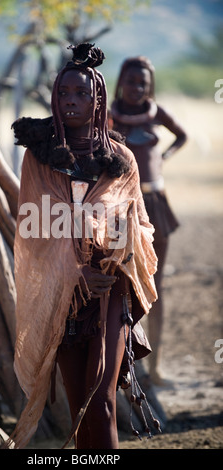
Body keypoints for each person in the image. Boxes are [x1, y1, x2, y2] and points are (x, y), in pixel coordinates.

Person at [7, 44, 158, 449]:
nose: (71, 101)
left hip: (109, 290)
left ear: (98, 101)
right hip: (65, 294)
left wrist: (110, 260)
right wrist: (74, 272)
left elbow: (139, 225)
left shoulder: (121, 159)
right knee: (78, 408)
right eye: (63, 93)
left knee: (101, 400)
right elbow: (33, 230)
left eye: (81, 94)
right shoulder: (40, 161)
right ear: (55, 98)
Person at [110, 56, 187, 385]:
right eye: (131, 81)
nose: (137, 88)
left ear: (149, 86)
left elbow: (181, 136)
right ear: (120, 82)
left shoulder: (157, 112)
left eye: (143, 83)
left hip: (154, 201)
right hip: (120, 204)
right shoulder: (108, 115)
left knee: (156, 285)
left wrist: (163, 158)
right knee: (121, 283)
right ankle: (126, 364)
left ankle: (155, 369)